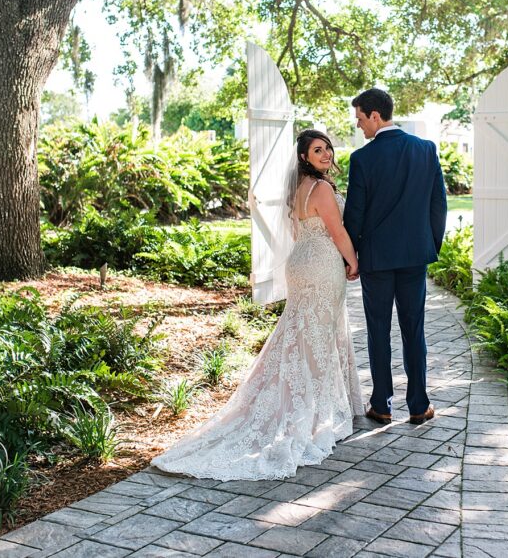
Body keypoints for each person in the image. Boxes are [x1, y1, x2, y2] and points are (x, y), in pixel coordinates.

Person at [151, 129, 362, 481]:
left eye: (327, 148)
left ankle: (297, 403)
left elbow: (298, 232)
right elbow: (337, 232)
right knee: (319, 338)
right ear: (304, 157)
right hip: (323, 265)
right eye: (317, 150)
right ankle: (309, 413)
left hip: (300, 263)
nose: (325, 154)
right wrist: (353, 261)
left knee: (298, 336)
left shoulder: (298, 190)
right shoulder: (322, 188)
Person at [343, 88, 447, 426]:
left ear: (375, 115)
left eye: (360, 119)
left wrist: (351, 257)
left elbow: (354, 215)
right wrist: (430, 245)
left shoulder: (362, 159)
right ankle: (419, 405)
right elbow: (438, 206)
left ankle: (382, 406)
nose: (359, 127)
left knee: (377, 331)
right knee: (414, 330)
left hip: (376, 259)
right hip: (415, 256)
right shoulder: (426, 150)